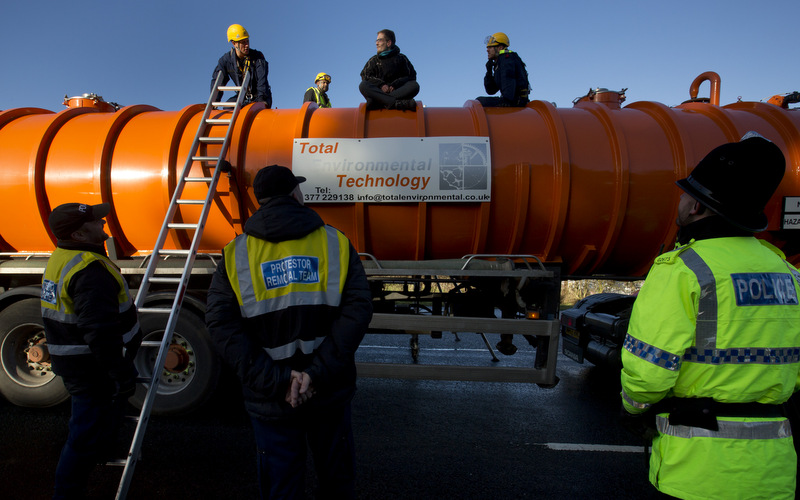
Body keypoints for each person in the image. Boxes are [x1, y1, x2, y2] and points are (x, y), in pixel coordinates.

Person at [619, 133, 800, 499]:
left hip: (697, 470)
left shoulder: (684, 270)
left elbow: (647, 373)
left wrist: (633, 408)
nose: (682, 201)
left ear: (698, 208)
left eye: (686, 193)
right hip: (773, 472)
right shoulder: (787, 273)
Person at [206, 165, 373, 499]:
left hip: (271, 398)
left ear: (260, 201)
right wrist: (316, 374)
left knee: (282, 487)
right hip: (328, 389)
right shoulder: (335, 242)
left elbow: (222, 325)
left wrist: (280, 381)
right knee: (337, 481)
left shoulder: (236, 254)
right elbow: (357, 310)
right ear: (295, 194)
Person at [41, 202, 142, 500]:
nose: (102, 225)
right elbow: (99, 331)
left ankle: (89, 467)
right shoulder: (89, 270)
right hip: (92, 368)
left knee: (91, 429)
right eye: (95, 222)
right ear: (78, 233)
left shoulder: (62, 257)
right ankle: (67, 494)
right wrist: (120, 372)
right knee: (83, 436)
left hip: (79, 363)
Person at [211, 24, 272, 107]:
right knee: (227, 107)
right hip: (242, 97)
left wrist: (261, 101)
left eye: (247, 41)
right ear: (234, 43)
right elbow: (217, 82)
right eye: (243, 42)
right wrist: (214, 103)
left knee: (254, 111)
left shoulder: (257, 57)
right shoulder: (226, 61)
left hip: (260, 96)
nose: (247, 45)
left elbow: (262, 81)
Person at [359, 29, 419, 111]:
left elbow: (411, 76)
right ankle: (396, 103)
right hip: (379, 92)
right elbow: (365, 76)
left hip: (398, 92)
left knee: (414, 85)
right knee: (363, 85)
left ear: (388, 43)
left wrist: (395, 85)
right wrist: (381, 85)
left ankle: (379, 102)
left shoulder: (401, 58)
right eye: (376, 41)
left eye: (379, 40)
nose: (376, 43)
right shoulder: (373, 61)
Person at [476, 32, 530, 107]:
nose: (487, 50)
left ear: (500, 48)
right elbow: (491, 90)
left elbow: (508, 93)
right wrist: (489, 72)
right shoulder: (500, 63)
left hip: (515, 102)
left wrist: (504, 102)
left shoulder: (507, 59)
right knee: (479, 101)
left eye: (490, 47)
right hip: (512, 100)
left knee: (478, 102)